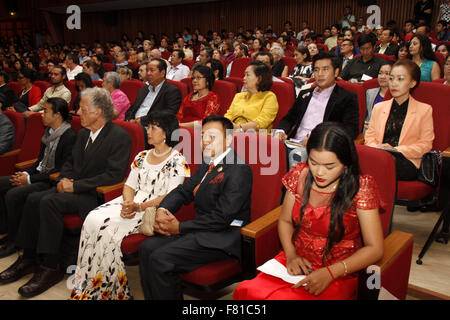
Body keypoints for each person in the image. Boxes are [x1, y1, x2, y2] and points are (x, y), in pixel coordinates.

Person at [0, 87, 131, 298]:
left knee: (49, 202)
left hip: (93, 196)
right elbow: (69, 163)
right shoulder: (83, 133)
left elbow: (113, 176)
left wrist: (75, 186)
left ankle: (51, 267)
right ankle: (29, 257)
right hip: (72, 188)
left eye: (83, 108)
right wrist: (63, 179)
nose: (78, 111)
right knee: (34, 198)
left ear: (97, 111)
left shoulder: (119, 136)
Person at [234, 121, 384, 300]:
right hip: (297, 261)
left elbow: (375, 248)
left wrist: (331, 272)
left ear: (345, 164)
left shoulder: (360, 188)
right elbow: (285, 221)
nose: (319, 172)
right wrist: (291, 255)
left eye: (329, 167)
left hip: (340, 269)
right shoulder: (300, 175)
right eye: (313, 162)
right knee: (248, 291)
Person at [71, 113, 190, 300]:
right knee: (92, 218)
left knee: (105, 228)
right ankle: (89, 287)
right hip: (131, 202)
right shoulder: (142, 155)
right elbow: (129, 185)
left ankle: (113, 292)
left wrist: (139, 207)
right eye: (148, 127)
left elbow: (171, 196)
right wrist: (128, 202)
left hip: (151, 209)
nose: (148, 131)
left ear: (166, 133)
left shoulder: (178, 160)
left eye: (153, 128)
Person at [138, 115, 253, 300]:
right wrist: (162, 209)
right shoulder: (208, 163)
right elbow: (183, 191)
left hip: (220, 238)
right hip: (199, 230)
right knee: (146, 248)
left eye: (212, 137)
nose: (205, 141)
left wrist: (179, 228)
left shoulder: (239, 170)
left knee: (160, 259)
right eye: (203, 136)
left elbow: (221, 218)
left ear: (229, 139)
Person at [0, 98, 76, 258]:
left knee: (14, 194)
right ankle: (6, 229)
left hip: (48, 181)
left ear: (57, 115)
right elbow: (39, 160)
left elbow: (60, 169)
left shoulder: (69, 136)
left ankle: (15, 242)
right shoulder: (48, 132)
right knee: (2, 183)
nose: (42, 114)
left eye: (46, 111)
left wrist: (29, 180)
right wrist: (26, 173)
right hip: (37, 175)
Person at [273, 52, 359, 168]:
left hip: (320, 148)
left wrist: (319, 138)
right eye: (316, 70)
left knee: (293, 158)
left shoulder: (347, 97)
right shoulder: (305, 94)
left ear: (336, 72)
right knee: (257, 152)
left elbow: (350, 130)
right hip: (292, 143)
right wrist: (281, 131)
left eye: (325, 69)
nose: (320, 74)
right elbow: (289, 118)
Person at [365, 59, 434, 181]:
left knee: (381, 167)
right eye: (391, 79)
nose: (394, 84)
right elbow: (369, 137)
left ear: (412, 83)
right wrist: (378, 149)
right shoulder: (379, 107)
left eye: (400, 79)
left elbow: (425, 145)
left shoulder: (424, 110)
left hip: (407, 160)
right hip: (379, 156)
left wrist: (395, 150)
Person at [125, 58, 182, 128]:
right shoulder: (143, 90)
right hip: (133, 126)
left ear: (162, 73)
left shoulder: (172, 91)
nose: (148, 73)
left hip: (152, 128)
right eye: (147, 70)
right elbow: (132, 109)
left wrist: (142, 121)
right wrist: (130, 120)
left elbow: (168, 114)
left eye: (152, 70)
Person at [224, 61, 278, 132]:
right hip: (234, 133)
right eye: (244, 75)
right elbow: (229, 115)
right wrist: (225, 124)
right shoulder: (239, 96)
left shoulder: (269, 97)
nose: (244, 78)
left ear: (259, 79)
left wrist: (239, 127)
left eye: (247, 75)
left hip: (257, 138)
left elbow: (262, 122)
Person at [178, 64, 220, 128]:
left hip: (198, 132)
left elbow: (206, 122)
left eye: (198, 78)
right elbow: (179, 115)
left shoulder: (213, 98)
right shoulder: (190, 96)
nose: (194, 81)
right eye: (193, 78)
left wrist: (181, 126)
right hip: (180, 129)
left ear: (207, 81)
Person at [365, 62, 393, 131]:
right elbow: (366, 116)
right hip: (369, 132)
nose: (382, 77)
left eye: (387, 74)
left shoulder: (397, 96)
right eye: (380, 73)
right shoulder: (370, 93)